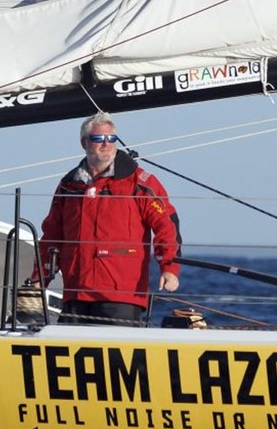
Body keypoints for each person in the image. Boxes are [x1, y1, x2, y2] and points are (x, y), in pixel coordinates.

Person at [31, 111, 181, 326]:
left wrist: (169, 269)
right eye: (98, 139)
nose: (106, 144)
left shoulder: (138, 182)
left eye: (111, 139)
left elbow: (166, 226)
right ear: (84, 142)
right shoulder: (69, 185)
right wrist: (39, 279)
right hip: (77, 292)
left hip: (120, 294)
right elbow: (52, 236)